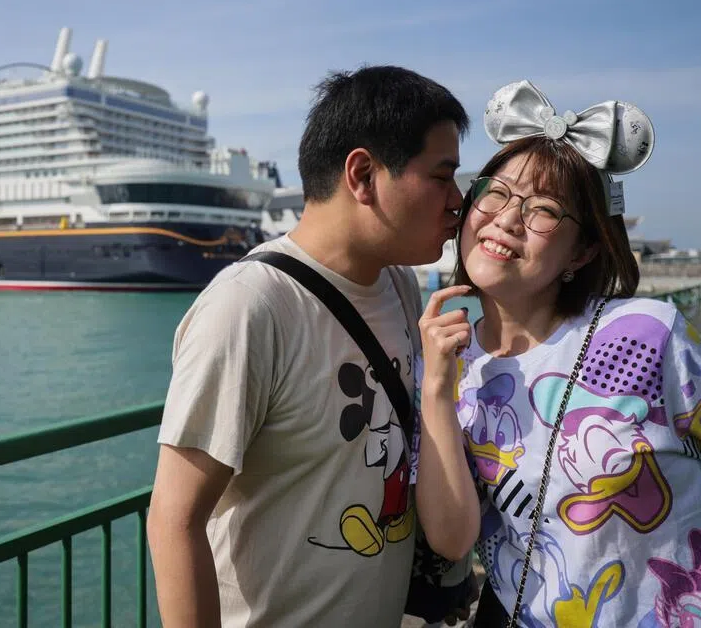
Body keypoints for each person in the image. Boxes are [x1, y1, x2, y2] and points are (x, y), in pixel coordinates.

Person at [147, 65, 482, 628]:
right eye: (442, 176)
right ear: (363, 175)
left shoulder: (397, 283)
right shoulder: (248, 306)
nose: (457, 200)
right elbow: (173, 521)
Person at [450, 80, 701, 627]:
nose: (508, 220)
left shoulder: (646, 335)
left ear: (582, 251)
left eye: (544, 210)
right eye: (496, 193)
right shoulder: (450, 370)